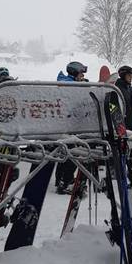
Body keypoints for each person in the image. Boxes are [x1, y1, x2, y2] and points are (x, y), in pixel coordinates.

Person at [55, 61, 87, 194]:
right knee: (73, 153)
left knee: (66, 152)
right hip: (68, 125)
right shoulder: (69, 84)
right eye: (80, 74)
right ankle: (64, 182)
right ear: (74, 74)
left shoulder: (68, 82)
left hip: (68, 125)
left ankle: (61, 179)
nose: (82, 76)